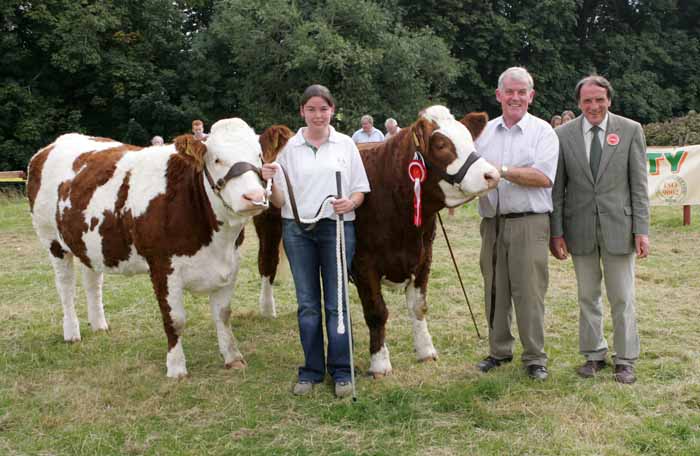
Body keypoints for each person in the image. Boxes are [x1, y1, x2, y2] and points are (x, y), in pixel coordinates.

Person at [262, 84, 370, 398]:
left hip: (336, 228)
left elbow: (360, 190)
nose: (318, 115)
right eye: (311, 109)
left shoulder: (346, 144)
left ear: (332, 111)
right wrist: (269, 180)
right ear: (302, 112)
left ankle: (341, 371)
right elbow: (279, 200)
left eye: (323, 109)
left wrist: (350, 203)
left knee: (337, 303)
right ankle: (311, 370)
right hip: (297, 230)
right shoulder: (289, 149)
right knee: (308, 304)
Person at [550, 75, 649, 384]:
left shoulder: (631, 130)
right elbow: (557, 189)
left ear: (610, 100)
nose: (593, 106)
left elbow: (639, 185)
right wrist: (556, 231)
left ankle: (625, 359)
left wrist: (641, 230)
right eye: (587, 100)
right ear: (579, 103)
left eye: (599, 99)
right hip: (579, 230)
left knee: (622, 297)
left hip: (620, 228)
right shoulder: (563, 134)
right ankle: (594, 354)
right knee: (587, 296)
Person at [473, 67, 559, 381]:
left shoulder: (543, 132)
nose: (515, 97)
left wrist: (503, 170)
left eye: (522, 92)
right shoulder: (483, 133)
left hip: (529, 223)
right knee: (494, 289)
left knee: (529, 292)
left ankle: (535, 358)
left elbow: (543, 177)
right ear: (498, 95)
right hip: (492, 224)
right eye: (509, 91)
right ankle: (499, 352)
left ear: (531, 96)